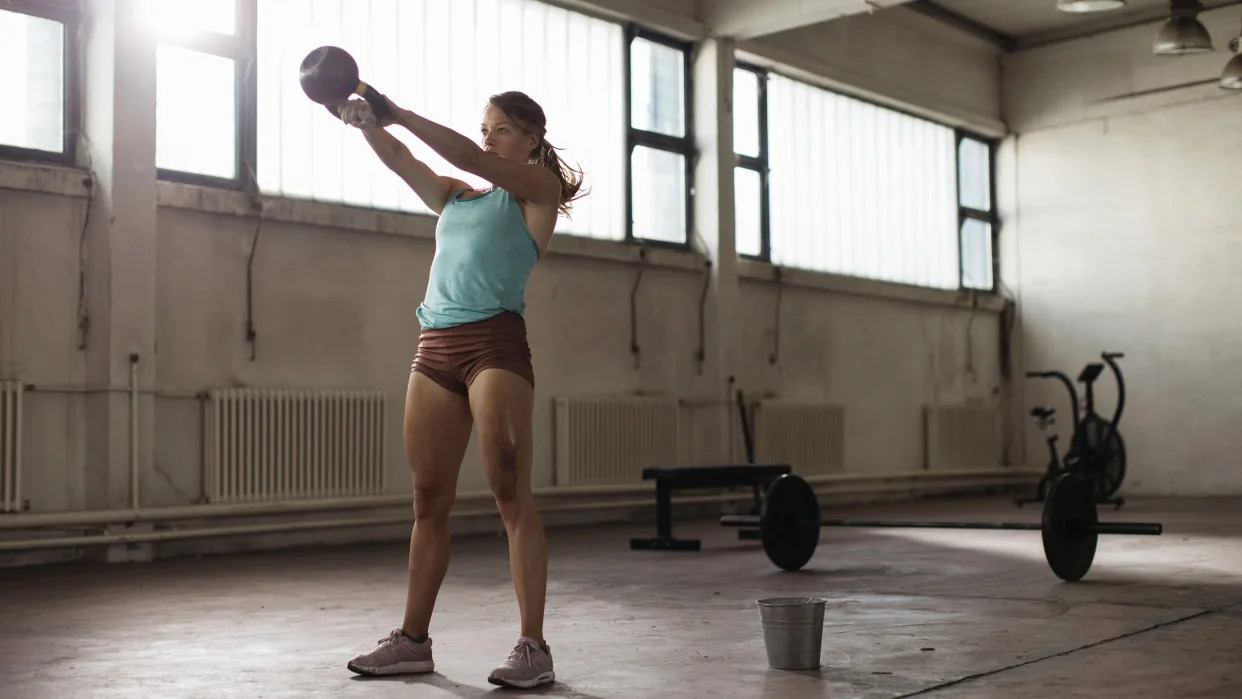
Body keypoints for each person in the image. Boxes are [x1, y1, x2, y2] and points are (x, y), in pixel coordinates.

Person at [336, 90, 583, 689]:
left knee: (508, 489)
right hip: (435, 346)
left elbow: (476, 160)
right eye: (486, 128)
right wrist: (362, 120)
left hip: (495, 344)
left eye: (502, 129)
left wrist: (400, 112)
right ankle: (413, 641)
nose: (491, 137)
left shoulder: (535, 192)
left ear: (531, 139)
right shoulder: (456, 197)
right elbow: (401, 160)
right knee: (427, 499)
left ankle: (533, 647)